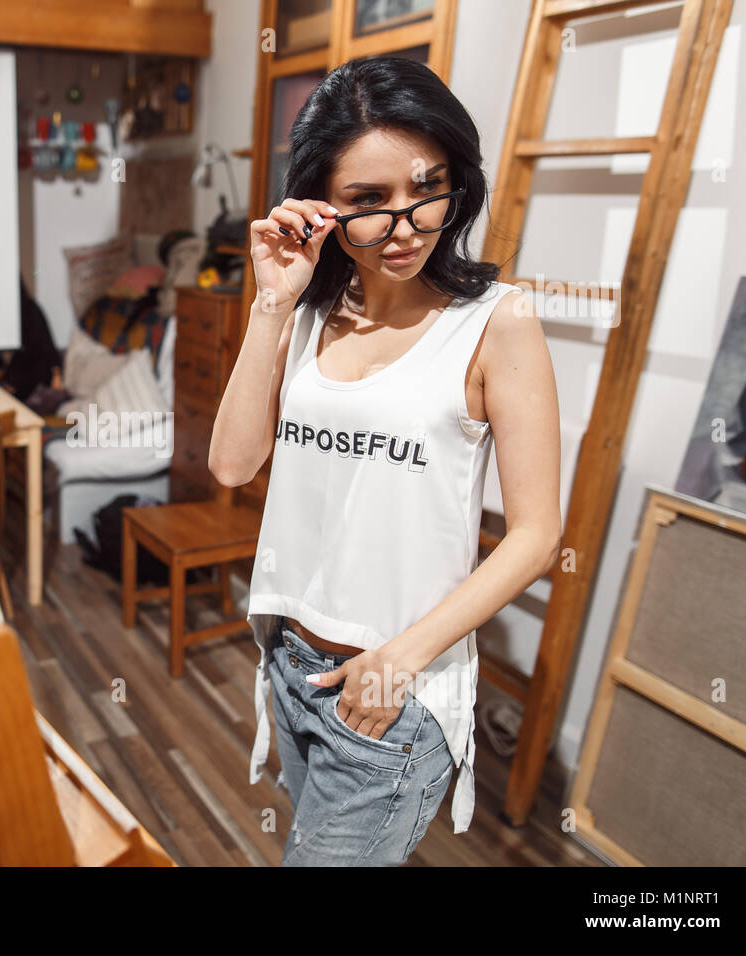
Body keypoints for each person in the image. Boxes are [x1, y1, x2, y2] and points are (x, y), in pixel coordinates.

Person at [208, 56, 562, 866]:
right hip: (291, 664)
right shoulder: (308, 311)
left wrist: (397, 662)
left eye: (426, 189)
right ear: (322, 205)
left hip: (390, 694)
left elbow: (538, 535)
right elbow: (232, 466)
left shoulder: (496, 323)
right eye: (368, 202)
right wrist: (271, 302)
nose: (404, 226)